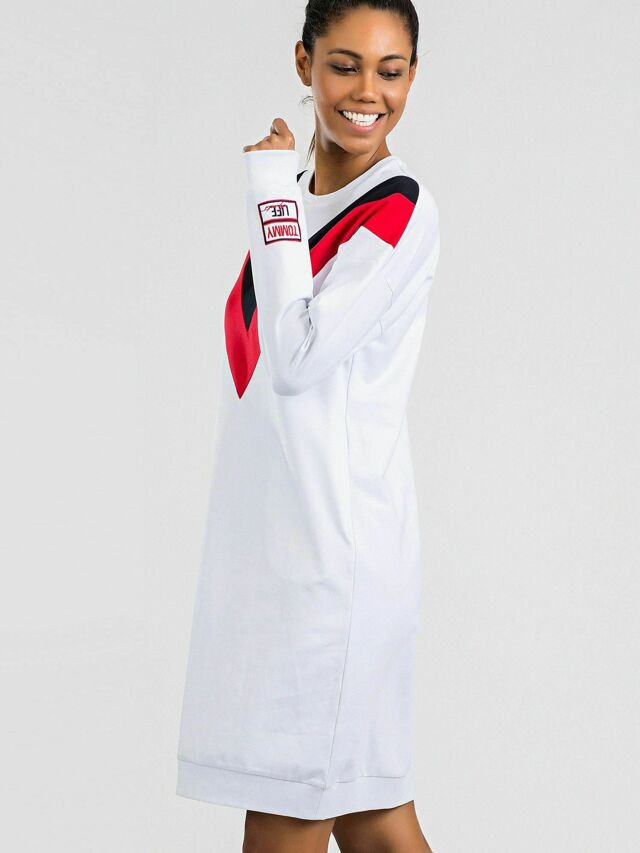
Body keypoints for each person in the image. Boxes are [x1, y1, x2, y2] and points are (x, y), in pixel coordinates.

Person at [176, 2, 441, 851]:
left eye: (390, 71)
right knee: (375, 822)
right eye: (344, 65)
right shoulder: (294, 202)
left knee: (290, 818)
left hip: (336, 568)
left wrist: (267, 195)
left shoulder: (396, 206)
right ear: (304, 63)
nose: (368, 92)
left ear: (412, 77)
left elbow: (296, 356)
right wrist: (278, 196)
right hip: (281, 563)